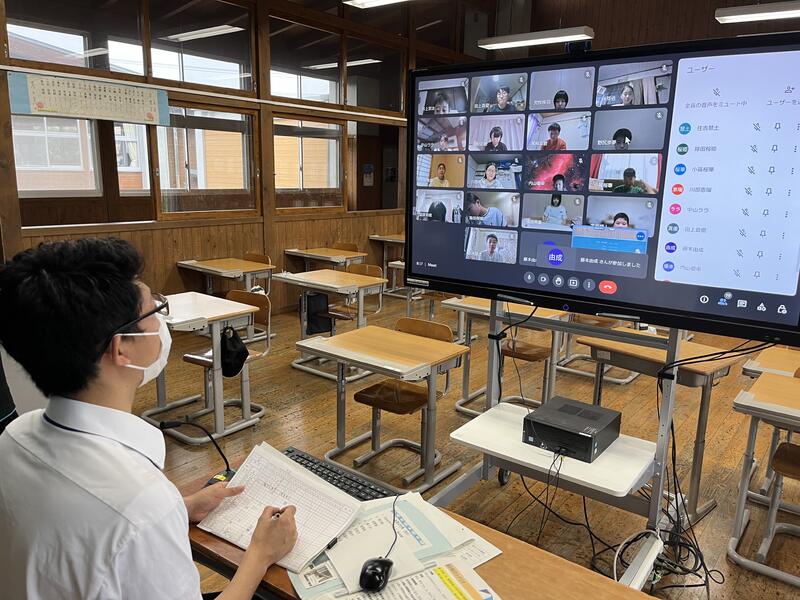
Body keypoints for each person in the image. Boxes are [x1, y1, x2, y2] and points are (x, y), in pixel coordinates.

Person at [0, 238, 298, 600]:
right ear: (121, 347)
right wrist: (260, 555)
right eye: (154, 312)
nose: (161, 320)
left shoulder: (14, 438)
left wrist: (184, 507)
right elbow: (125, 521)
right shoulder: (140, 506)